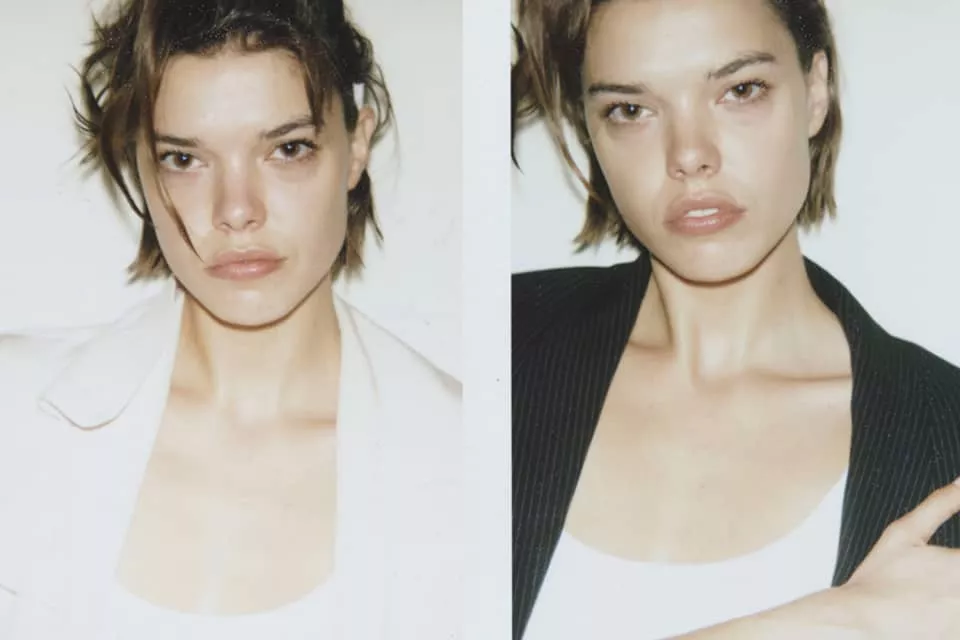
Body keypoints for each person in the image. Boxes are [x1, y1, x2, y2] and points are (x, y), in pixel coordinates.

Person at [0, 0, 460, 638]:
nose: (237, 210)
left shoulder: (464, 458)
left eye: (288, 149)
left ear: (356, 146)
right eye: (184, 159)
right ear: (139, 164)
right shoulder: (15, 412)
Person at [511, 0, 960, 638]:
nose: (690, 155)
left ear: (815, 91)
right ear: (589, 127)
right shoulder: (502, 345)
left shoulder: (944, 435)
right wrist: (835, 624)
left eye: (740, 90)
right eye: (630, 110)